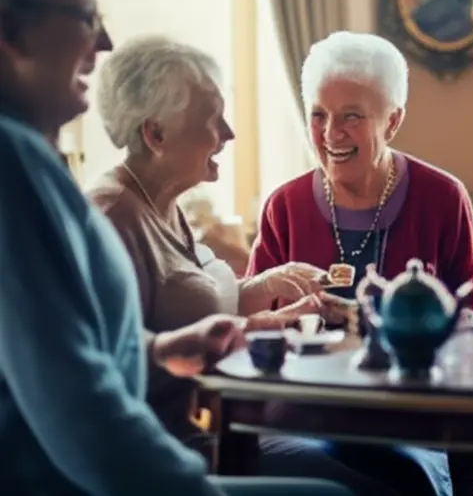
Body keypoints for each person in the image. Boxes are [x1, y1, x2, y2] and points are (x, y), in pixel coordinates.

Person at [0, 0, 353, 496]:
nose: (105, 40)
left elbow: (66, 341)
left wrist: (164, 350)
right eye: (85, 16)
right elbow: (77, 407)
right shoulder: (14, 169)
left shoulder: (33, 161)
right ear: (12, 30)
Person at [85, 35, 396, 494]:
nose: (229, 133)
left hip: (213, 432)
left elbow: (188, 307)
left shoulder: (163, 202)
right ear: (156, 134)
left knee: (389, 472)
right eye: (212, 119)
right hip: (168, 453)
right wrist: (256, 327)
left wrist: (273, 305)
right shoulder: (110, 218)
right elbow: (117, 363)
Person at [247, 31, 473, 496]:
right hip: (302, 412)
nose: (330, 133)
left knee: (404, 480)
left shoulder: (442, 198)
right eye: (318, 115)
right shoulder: (284, 206)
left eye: (351, 117)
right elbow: (256, 332)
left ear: (393, 121)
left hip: (407, 416)